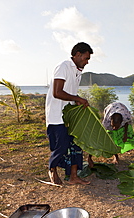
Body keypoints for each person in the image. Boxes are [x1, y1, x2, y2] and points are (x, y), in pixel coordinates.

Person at [45, 42, 93, 185]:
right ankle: (52, 169)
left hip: (69, 116)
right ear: (77, 55)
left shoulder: (77, 71)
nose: (87, 62)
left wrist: (77, 102)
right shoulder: (64, 66)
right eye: (86, 58)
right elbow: (57, 92)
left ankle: (73, 176)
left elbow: (70, 93)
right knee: (61, 146)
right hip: (56, 115)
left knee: (76, 144)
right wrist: (77, 98)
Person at [88, 102, 134, 166]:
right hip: (110, 109)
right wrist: (90, 156)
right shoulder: (107, 121)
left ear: (121, 122)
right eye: (113, 126)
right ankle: (115, 157)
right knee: (112, 139)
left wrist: (125, 135)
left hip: (122, 109)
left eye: (116, 126)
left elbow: (126, 124)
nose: (114, 128)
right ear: (110, 121)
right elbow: (100, 135)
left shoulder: (125, 117)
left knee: (130, 134)